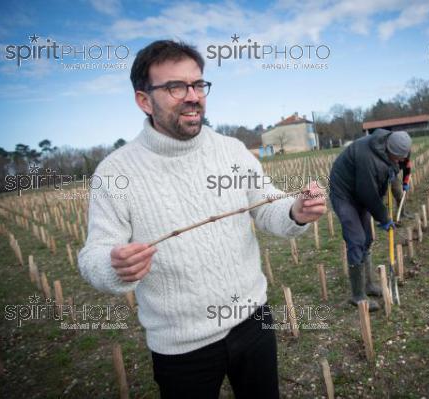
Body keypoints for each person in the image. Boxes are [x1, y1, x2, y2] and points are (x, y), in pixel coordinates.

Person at [77, 40, 326, 399]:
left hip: (253, 321)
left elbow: (267, 206)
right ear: (144, 101)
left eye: (198, 84)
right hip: (181, 347)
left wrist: (294, 211)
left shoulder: (232, 151)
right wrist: (114, 266)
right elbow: (93, 257)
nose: (193, 96)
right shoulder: (115, 172)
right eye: (175, 87)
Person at [329, 129, 412, 311]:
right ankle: (357, 295)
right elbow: (368, 193)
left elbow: (404, 164)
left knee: (367, 238)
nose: (399, 160)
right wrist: (383, 217)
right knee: (356, 239)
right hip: (344, 193)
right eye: (396, 158)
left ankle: (368, 285)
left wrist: (403, 177)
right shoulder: (366, 157)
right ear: (389, 150)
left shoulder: (398, 145)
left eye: (401, 157)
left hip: (360, 191)